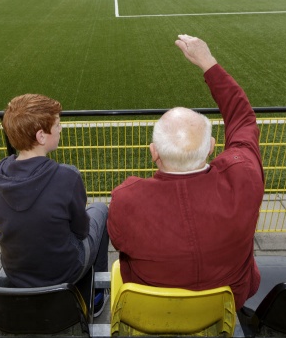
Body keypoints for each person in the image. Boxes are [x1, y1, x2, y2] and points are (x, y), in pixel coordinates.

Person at [107, 35, 264, 310]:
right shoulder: (244, 177)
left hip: (153, 309)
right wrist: (208, 63)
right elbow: (243, 118)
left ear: (153, 151)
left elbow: (121, 242)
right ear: (213, 147)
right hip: (226, 306)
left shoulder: (126, 199)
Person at [0, 93, 110, 314]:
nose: (61, 129)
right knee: (101, 209)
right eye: (57, 125)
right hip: (63, 272)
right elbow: (82, 230)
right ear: (41, 136)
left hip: (16, 271)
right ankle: (97, 294)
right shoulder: (67, 176)